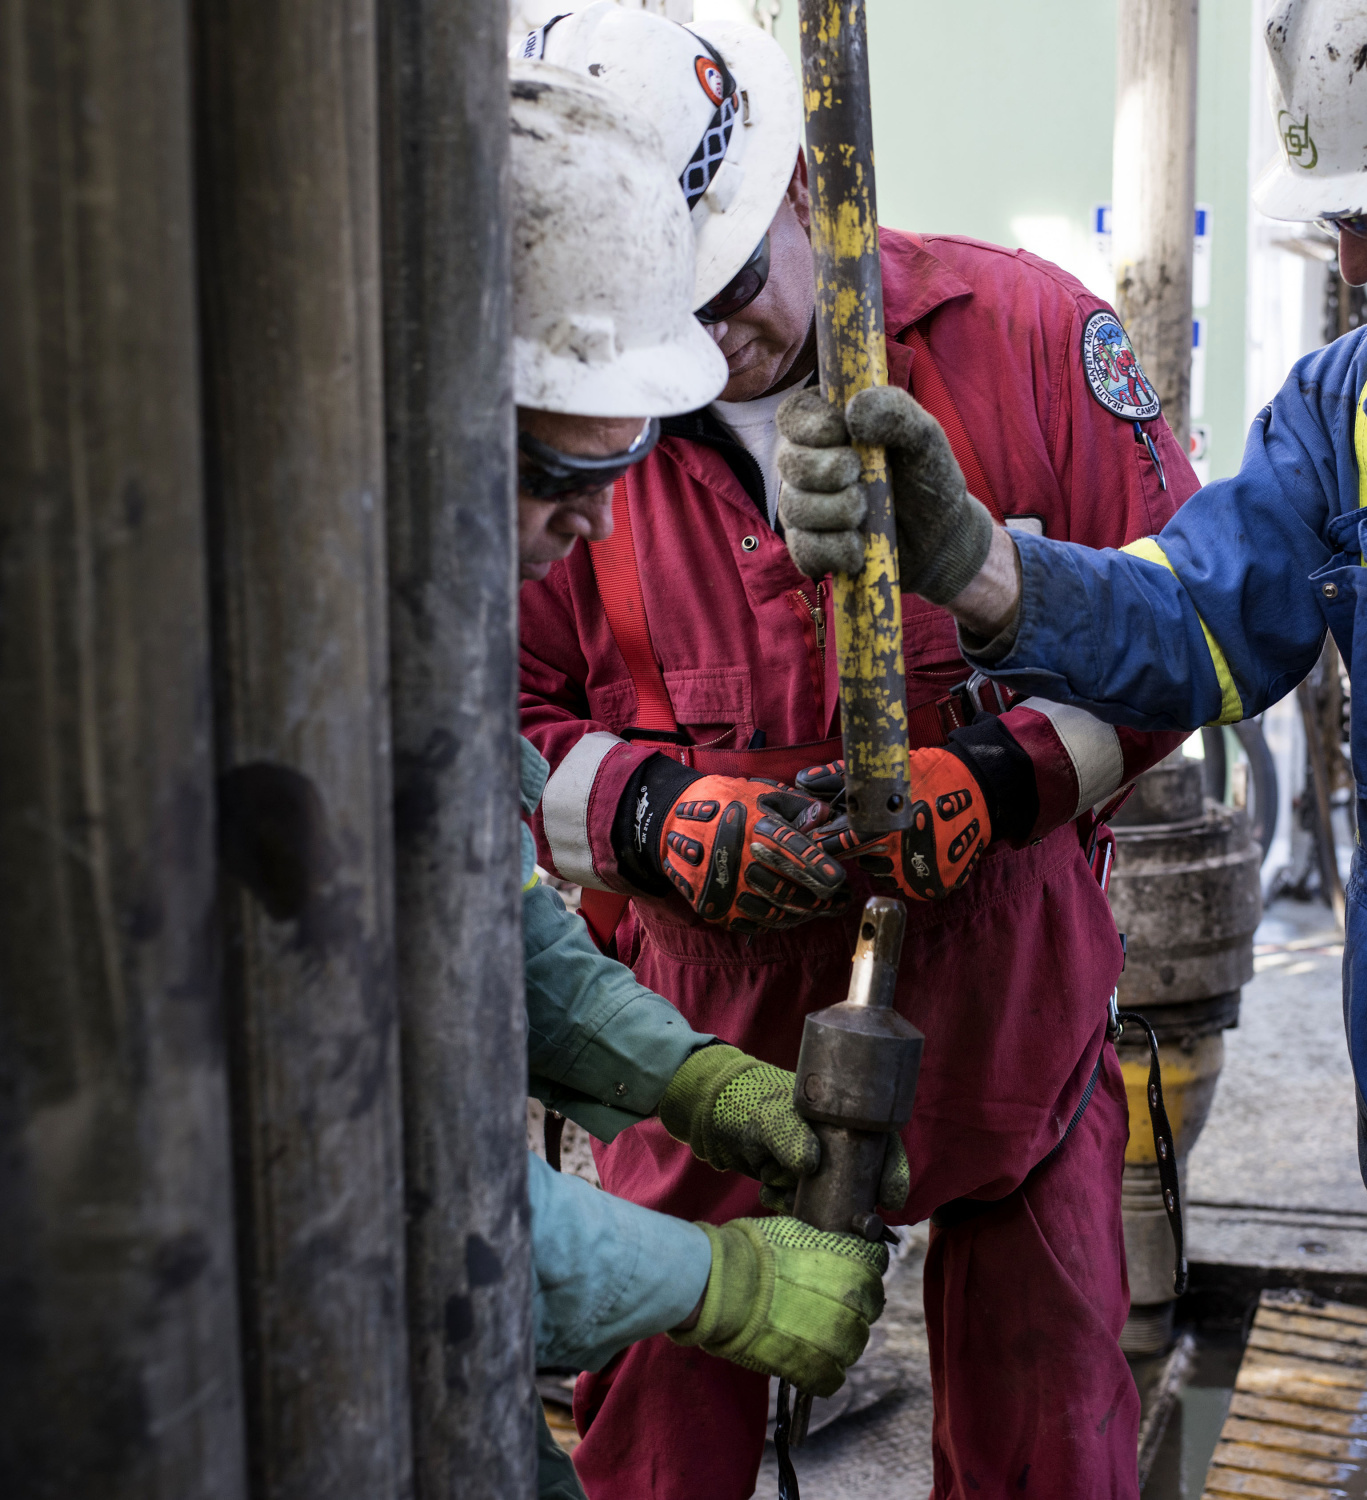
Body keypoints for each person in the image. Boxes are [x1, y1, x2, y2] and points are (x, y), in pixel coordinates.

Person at [775, 4, 1367, 1497]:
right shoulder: (1363, 401)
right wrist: (979, 564)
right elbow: (1197, 621)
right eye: (1346, 216)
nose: (1359, 261)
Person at [514, 10, 1199, 1496]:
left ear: (806, 189)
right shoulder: (573, 419)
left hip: (1008, 1008)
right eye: (669, 311)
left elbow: (1182, 642)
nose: (716, 343)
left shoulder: (1028, 342)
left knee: (1050, 1446)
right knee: (650, 1449)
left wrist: (1003, 782)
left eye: (738, 287)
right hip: (707, 1043)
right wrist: (652, 821)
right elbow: (491, 722)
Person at [504, 62, 893, 1499]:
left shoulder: (1017, 329)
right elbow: (389, 1208)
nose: (598, 517)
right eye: (559, 474)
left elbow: (490, 934)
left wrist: (697, 1082)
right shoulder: (291, 690)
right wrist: (707, 1276)